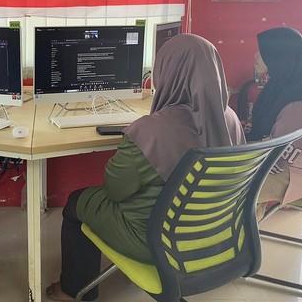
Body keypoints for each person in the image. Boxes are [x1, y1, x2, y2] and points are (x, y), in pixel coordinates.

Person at [46, 34, 246, 301]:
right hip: (216, 234)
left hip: (155, 241)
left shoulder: (150, 131)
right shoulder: (230, 119)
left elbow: (114, 191)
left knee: (76, 202)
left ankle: (73, 291)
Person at [247, 27, 302, 217]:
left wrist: (236, 157)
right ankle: (247, 227)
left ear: (280, 57)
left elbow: (276, 162)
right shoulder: (284, 86)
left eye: (263, 52)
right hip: (289, 165)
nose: (255, 55)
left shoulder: (300, 104)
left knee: (231, 188)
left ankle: (242, 233)